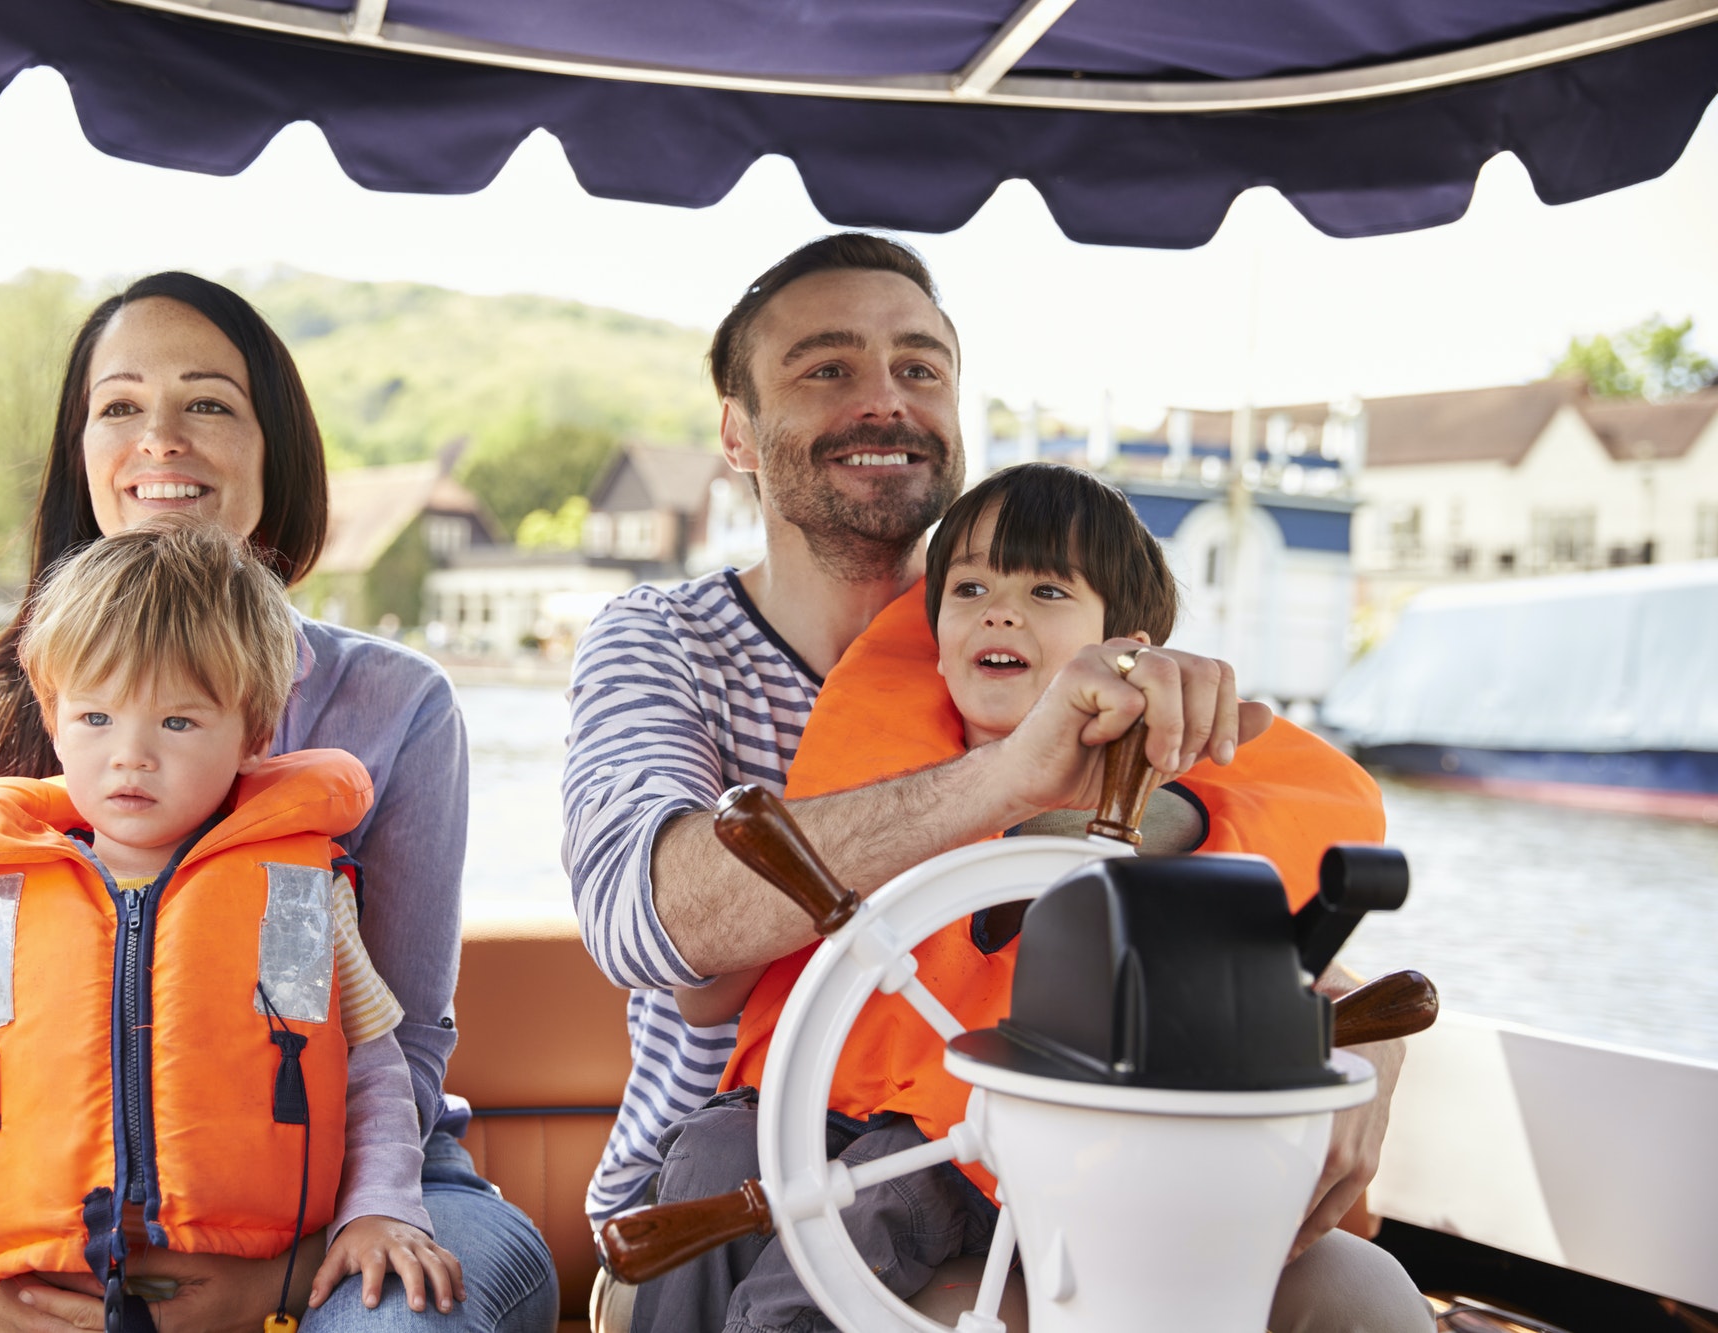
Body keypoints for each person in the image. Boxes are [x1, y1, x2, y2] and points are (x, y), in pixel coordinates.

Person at [560, 235, 1407, 1331]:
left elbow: (1252, 907)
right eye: (826, 368)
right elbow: (647, 923)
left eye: (919, 368)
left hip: (1057, 1160)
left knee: (1365, 1297)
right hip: (731, 1186)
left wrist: (1362, 1046)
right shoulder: (658, 644)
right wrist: (1007, 780)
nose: (884, 400)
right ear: (735, 433)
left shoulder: (1116, 685)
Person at [0, 273, 555, 1333]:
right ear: (79, 449)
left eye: (209, 404)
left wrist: (280, 1273)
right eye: (121, 406)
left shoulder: (396, 703)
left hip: (373, 1191)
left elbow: (391, 1048)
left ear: (274, 448)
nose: (161, 440)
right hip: (68, 1217)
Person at [0, 516, 463, 1326]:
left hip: (262, 1280)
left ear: (255, 734)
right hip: (58, 1293)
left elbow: (368, 1071)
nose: (131, 754)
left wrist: (381, 1208)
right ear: (54, 719)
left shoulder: (295, 895)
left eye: (176, 722)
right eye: (96, 719)